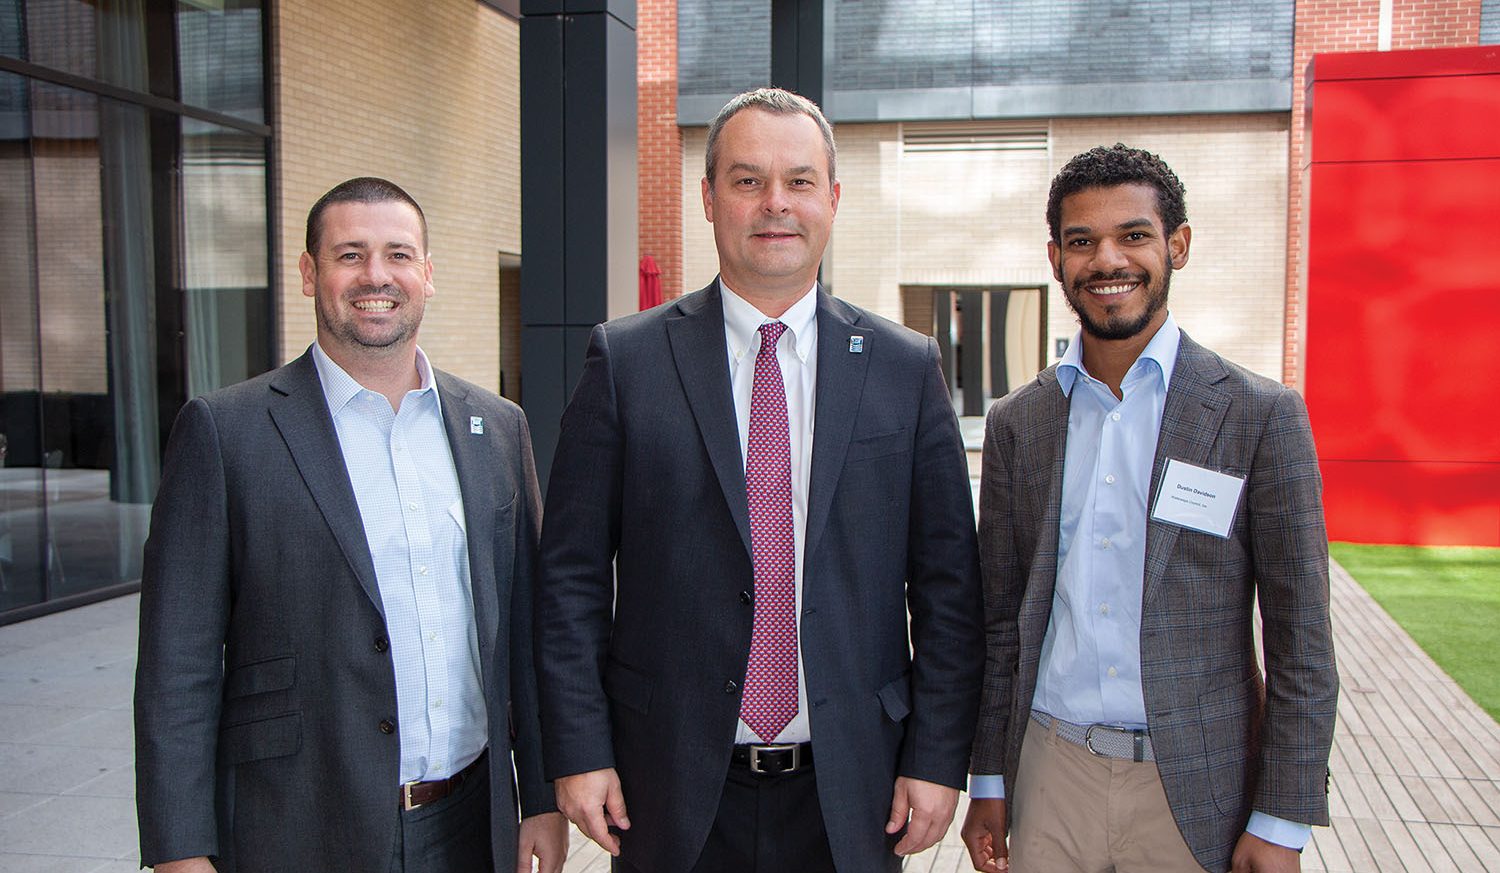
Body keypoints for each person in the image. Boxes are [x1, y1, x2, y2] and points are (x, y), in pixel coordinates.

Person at [534, 88, 984, 872]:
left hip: (853, 791)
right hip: (667, 788)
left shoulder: (904, 369)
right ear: (708, 199)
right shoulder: (626, 363)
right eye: (747, 181)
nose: (775, 203)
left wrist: (939, 757)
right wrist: (578, 748)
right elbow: (569, 577)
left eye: (799, 181)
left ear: (833, 200)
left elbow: (948, 588)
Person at [134, 177, 567, 873]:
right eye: (349, 254)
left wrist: (541, 793)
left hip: (469, 823)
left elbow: (530, 631)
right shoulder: (226, 432)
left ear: (427, 274)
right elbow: (175, 664)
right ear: (310, 274)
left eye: (398, 254)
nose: (376, 276)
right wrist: (180, 850)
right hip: (297, 824)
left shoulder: (496, 429)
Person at [960, 144, 1338, 873]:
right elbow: (999, 623)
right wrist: (988, 776)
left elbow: (1302, 642)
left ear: (1178, 244)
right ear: (1055, 257)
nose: (1108, 260)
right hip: (1049, 773)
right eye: (1082, 241)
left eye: (1133, 235)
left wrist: (1283, 817)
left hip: (1196, 787)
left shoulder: (1260, 416)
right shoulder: (1019, 423)